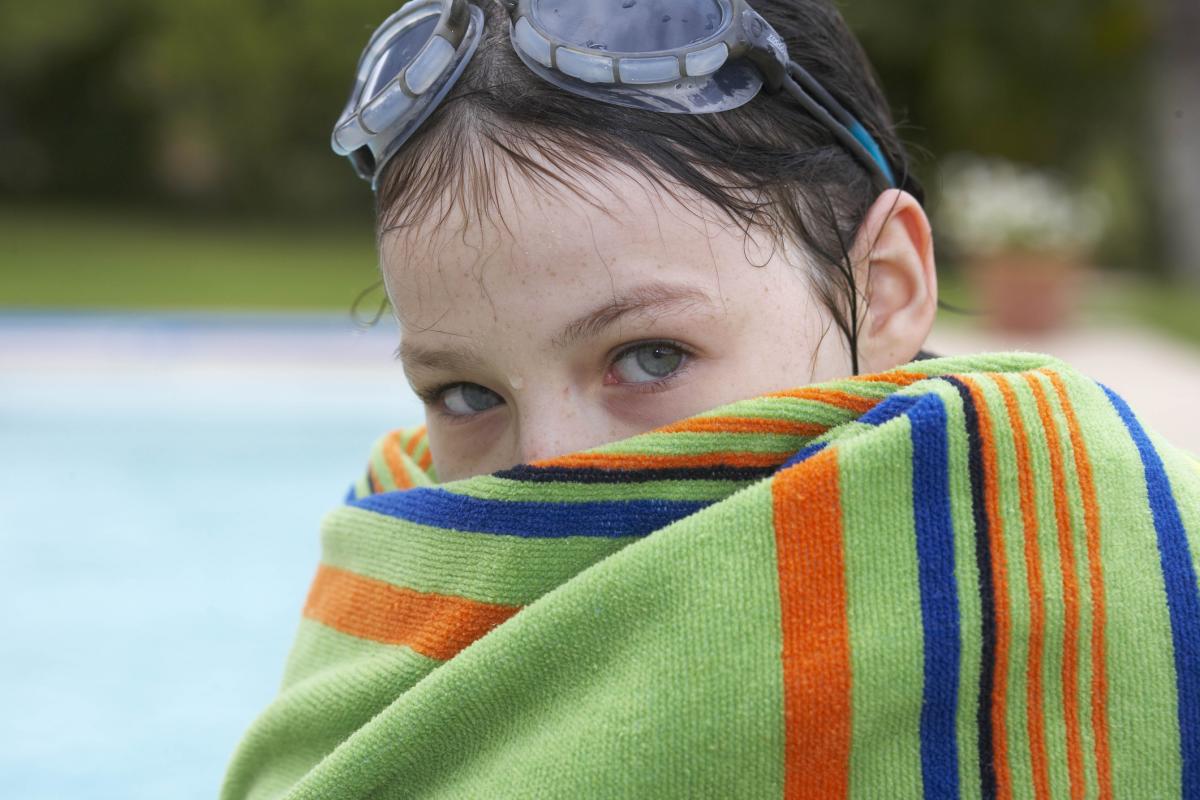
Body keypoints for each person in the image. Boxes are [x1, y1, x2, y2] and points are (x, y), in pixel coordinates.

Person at [222, 1, 1200, 797]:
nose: (555, 462)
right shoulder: (383, 608)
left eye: (648, 356)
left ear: (888, 286)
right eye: (466, 390)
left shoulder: (1099, 559)